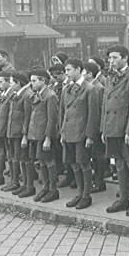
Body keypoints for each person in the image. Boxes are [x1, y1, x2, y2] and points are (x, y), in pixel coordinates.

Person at [102, 45, 129, 216]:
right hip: (112, 128)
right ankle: (123, 199)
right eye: (109, 58)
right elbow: (106, 105)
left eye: (114, 58)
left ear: (125, 58)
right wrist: (104, 130)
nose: (111, 61)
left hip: (126, 130)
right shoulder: (110, 78)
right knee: (119, 164)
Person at [59, 59, 100, 210]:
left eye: (69, 70)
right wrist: (62, 132)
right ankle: (79, 192)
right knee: (73, 164)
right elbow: (62, 113)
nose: (67, 73)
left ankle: (86, 195)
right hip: (69, 132)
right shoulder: (66, 89)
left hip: (81, 133)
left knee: (84, 163)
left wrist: (90, 135)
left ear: (78, 69)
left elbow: (93, 114)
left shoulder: (90, 89)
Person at [22, 69, 60, 202]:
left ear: (42, 81)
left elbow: (52, 119)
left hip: (45, 135)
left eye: (34, 81)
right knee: (41, 161)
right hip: (36, 134)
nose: (31, 84)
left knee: (49, 161)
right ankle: (45, 187)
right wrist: (26, 135)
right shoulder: (35, 94)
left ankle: (53, 190)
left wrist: (48, 138)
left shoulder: (50, 96)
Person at [4, 72, 32, 194]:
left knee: (24, 159)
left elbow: (27, 117)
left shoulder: (26, 96)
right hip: (13, 132)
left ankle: (28, 186)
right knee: (17, 158)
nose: (10, 84)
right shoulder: (17, 95)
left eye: (12, 82)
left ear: (19, 83)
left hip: (20, 133)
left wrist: (25, 135)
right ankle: (20, 184)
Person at [83, 61, 107, 193]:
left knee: (98, 156)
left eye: (84, 72)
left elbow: (99, 110)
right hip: (90, 126)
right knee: (93, 155)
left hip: (96, 127)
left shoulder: (97, 88)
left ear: (89, 74)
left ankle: (99, 182)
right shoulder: (89, 87)